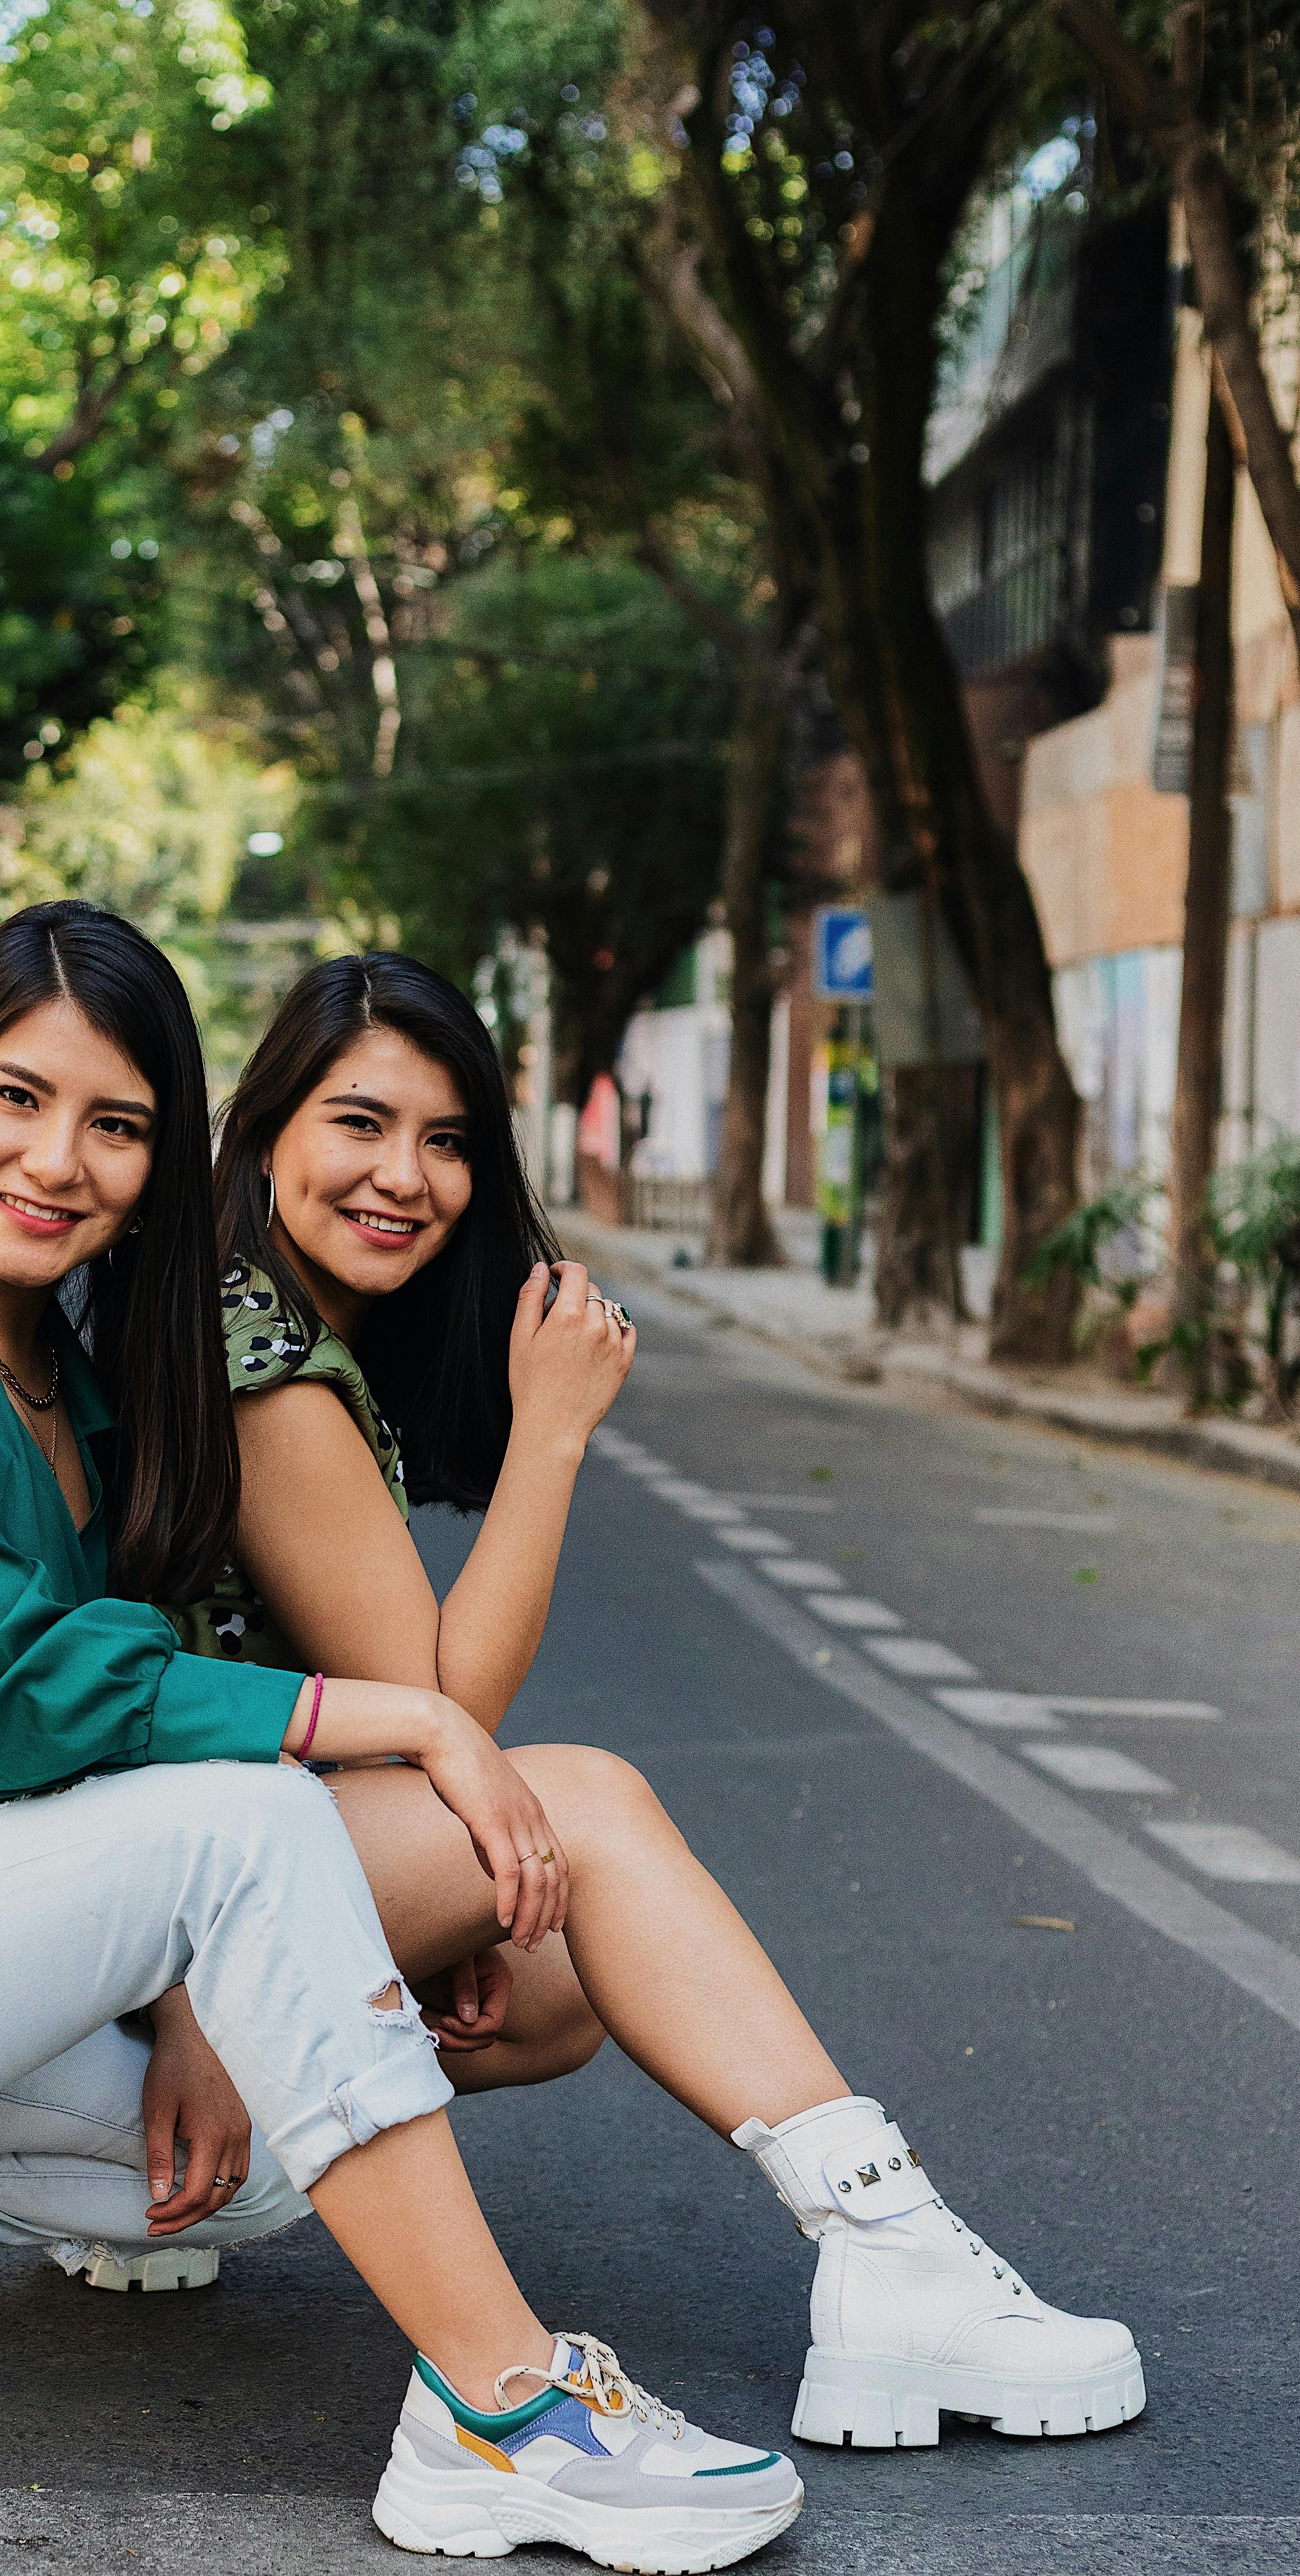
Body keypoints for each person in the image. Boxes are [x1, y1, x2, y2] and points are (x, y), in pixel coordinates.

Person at [0, 901, 804, 2576]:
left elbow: (142, 1683)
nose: (58, 1159)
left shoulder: (71, 1358)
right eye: (16, 1097)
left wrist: (248, 1957)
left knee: (285, 2142)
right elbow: (10, 1700)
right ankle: (500, 2410)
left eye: (118, 1124)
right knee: (250, 1832)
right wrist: (387, 1716)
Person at [160, 949, 1144, 2456]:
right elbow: (442, 1720)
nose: (404, 1177)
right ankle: (893, 2252)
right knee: (585, 1813)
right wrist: (553, 1438)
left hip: (188, 1834)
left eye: (446, 1142)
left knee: (550, 1980)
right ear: (267, 1132)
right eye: (358, 1125)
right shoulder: (266, 1361)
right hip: (161, 1872)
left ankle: (162, 2168)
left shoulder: (276, 1328)